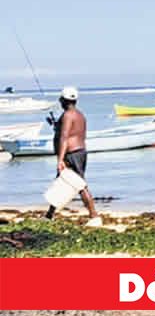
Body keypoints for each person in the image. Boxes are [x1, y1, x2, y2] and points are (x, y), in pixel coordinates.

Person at [44, 87, 101, 227]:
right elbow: (72, 131)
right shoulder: (79, 115)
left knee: (79, 185)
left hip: (72, 154)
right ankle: (49, 215)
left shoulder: (68, 115)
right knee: (61, 182)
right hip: (79, 152)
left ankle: (94, 216)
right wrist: (56, 125)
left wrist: (60, 159)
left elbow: (64, 137)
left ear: (64, 100)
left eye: (61, 100)